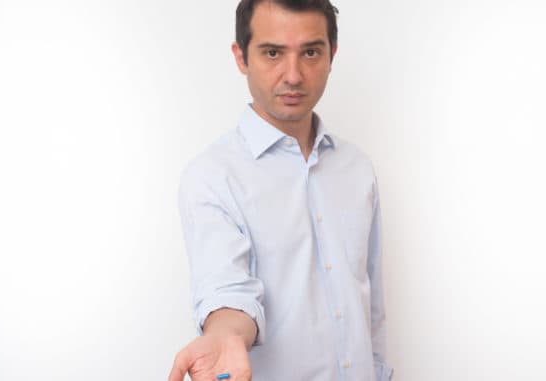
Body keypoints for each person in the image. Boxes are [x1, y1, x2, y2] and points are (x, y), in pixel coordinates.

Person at [168, 1, 393, 380]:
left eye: (310, 52)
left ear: (331, 54)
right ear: (241, 57)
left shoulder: (357, 169)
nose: (294, 75)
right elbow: (227, 290)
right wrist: (224, 334)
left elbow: (370, 308)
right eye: (273, 53)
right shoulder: (212, 176)